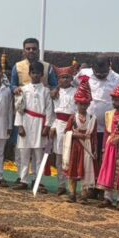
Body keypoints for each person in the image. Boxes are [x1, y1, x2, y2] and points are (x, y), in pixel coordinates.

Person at [76, 56, 119, 178]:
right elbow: (71, 85)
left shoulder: (117, 79)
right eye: (98, 73)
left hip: (109, 126)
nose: (101, 75)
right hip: (89, 125)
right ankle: (90, 185)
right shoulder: (84, 74)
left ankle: (102, 184)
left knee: (105, 156)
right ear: (92, 67)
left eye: (104, 72)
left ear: (110, 66)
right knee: (89, 154)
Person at [13, 61, 54, 192]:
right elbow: (19, 108)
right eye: (33, 73)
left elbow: (49, 110)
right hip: (25, 122)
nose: (35, 75)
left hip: (39, 124)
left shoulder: (46, 91)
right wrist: (19, 125)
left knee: (39, 156)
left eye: (38, 73)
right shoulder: (23, 89)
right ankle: (23, 180)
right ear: (29, 74)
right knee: (24, 154)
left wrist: (47, 126)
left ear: (42, 75)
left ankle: (38, 181)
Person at [96, 79, 119, 209]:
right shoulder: (109, 114)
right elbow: (107, 132)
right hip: (110, 147)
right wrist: (103, 148)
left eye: (117, 100)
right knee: (109, 170)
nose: (114, 102)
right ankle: (107, 197)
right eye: (113, 100)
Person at [62, 77, 97, 203]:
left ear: (88, 104)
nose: (82, 106)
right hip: (75, 147)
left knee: (85, 170)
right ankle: (72, 193)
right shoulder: (73, 117)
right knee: (73, 169)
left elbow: (93, 135)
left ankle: (84, 194)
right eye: (80, 104)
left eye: (85, 104)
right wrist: (76, 136)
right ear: (76, 103)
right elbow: (66, 132)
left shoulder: (92, 118)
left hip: (86, 148)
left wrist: (95, 150)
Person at [50, 67, 77, 195]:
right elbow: (51, 112)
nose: (65, 79)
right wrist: (52, 126)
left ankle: (72, 186)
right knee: (59, 156)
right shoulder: (55, 93)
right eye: (62, 77)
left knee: (71, 156)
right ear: (58, 79)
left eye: (67, 77)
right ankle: (61, 185)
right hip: (59, 125)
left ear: (71, 79)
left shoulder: (76, 92)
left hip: (72, 124)